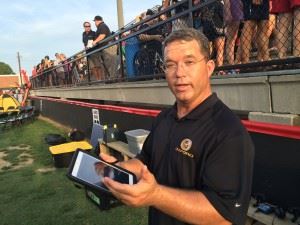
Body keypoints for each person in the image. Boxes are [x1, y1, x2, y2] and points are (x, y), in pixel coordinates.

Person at [101, 28, 255, 225]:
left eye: (189, 62)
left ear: (209, 67)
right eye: (170, 65)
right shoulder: (164, 118)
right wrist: (117, 169)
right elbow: (145, 161)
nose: (179, 73)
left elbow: (224, 216)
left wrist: (155, 195)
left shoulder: (228, 133)